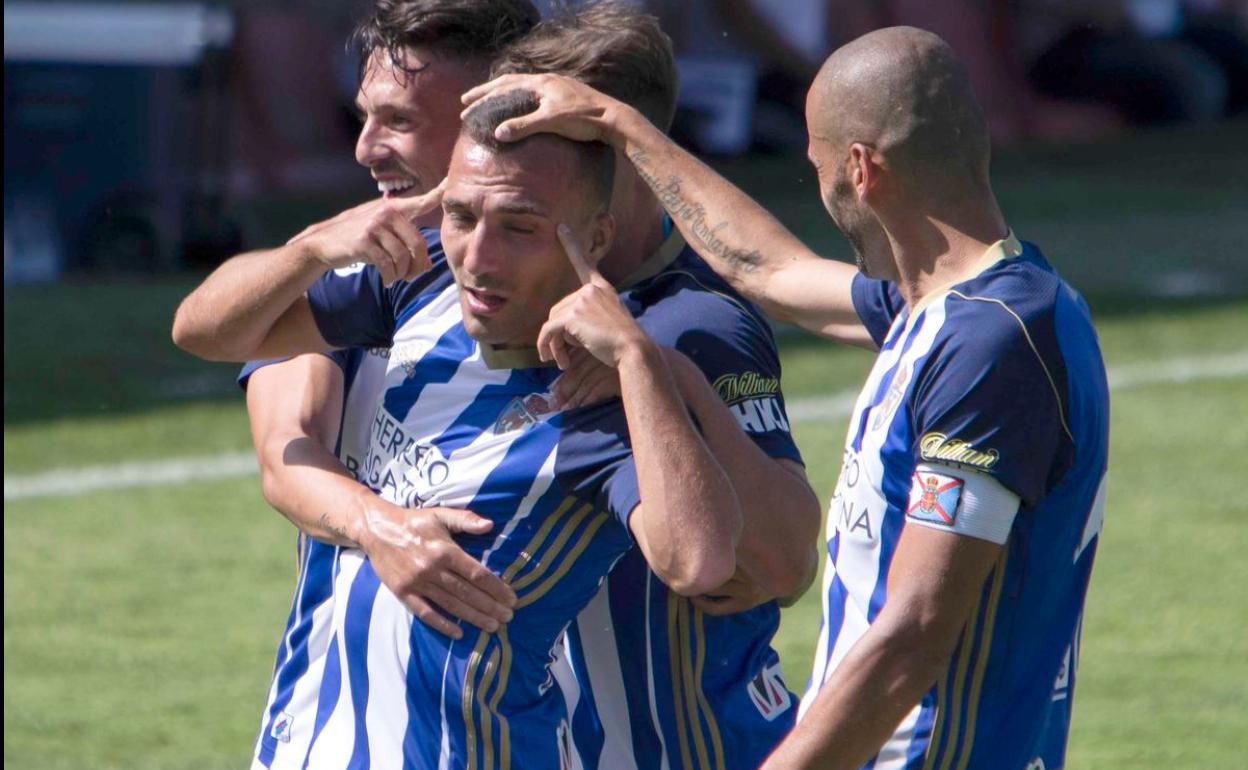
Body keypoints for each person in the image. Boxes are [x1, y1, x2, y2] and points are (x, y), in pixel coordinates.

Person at [466, 23, 1110, 770]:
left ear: (860, 169)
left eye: (820, 167)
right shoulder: (956, 311)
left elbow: (915, 627)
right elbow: (766, 267)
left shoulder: (991, 343)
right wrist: (618, 123)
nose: (823, 190)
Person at [489, 5, 821, 767]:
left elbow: (781, 566)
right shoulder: (514, 293)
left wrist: (653, 371)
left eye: (548, 148)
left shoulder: (692, 323)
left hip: (687, 745)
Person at [228, 2, 540, 767]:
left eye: (397, 120)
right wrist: (379, 525)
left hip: (543, 719)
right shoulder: (356, 270)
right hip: (343, 722)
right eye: (363, 116)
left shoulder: (596, 286)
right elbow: (285, 452)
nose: (366, 148)